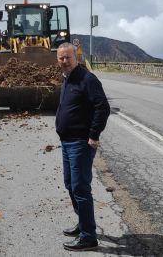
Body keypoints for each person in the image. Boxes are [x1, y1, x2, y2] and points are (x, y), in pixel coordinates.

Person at [55, 42, 110, 251]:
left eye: (68, 57)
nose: (64, 61)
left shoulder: (87, 79)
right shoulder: (68, 79)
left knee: (80, 188)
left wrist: (94, 135)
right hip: (67, 142)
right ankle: (83, 224)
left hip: (80, 143)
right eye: (61, 58)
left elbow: (102, 107)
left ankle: (89, 237)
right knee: (70, 185)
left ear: (76, 57)